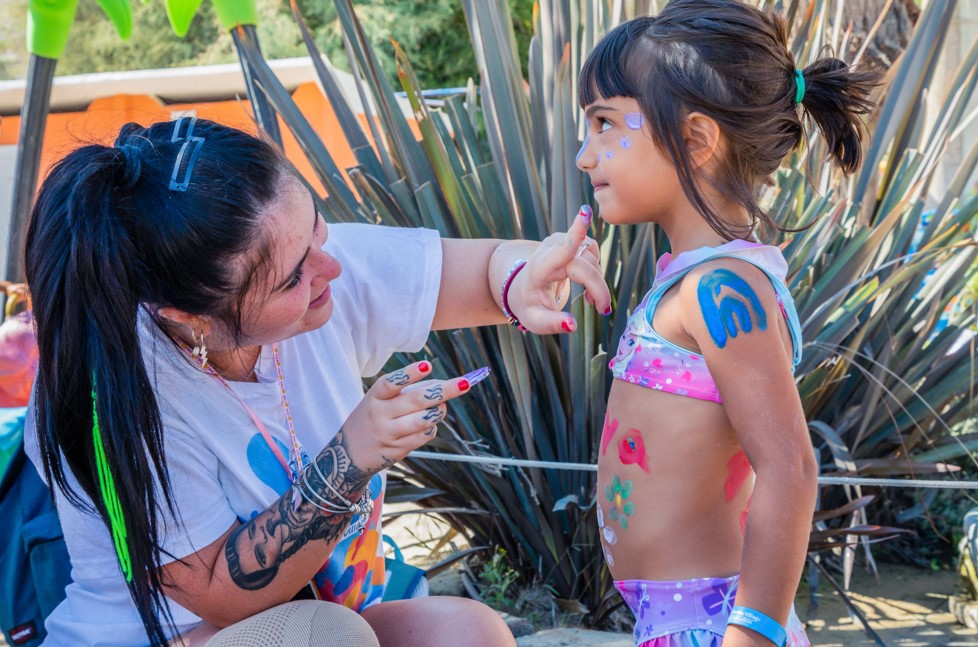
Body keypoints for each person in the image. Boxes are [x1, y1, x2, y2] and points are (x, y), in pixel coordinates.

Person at [23, 117, 611, 647]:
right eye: (290, 280)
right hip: (183, 635)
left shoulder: (303, 260)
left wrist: (523, 277)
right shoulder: (113, 392)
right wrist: (352, 457)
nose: (331, 267)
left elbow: (485, 271)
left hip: (325, 621)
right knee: (326, 636)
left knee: (466, 633)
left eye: (317, 228)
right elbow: (222, 596)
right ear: (189, 317)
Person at [576, 2, 877, 646]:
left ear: (695, 139)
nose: (584, 155)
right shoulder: (691, 280)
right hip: (675, 621)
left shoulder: (721, 288)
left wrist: (754, 632)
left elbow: (791, 468)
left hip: (714, 626)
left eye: (604, 124)